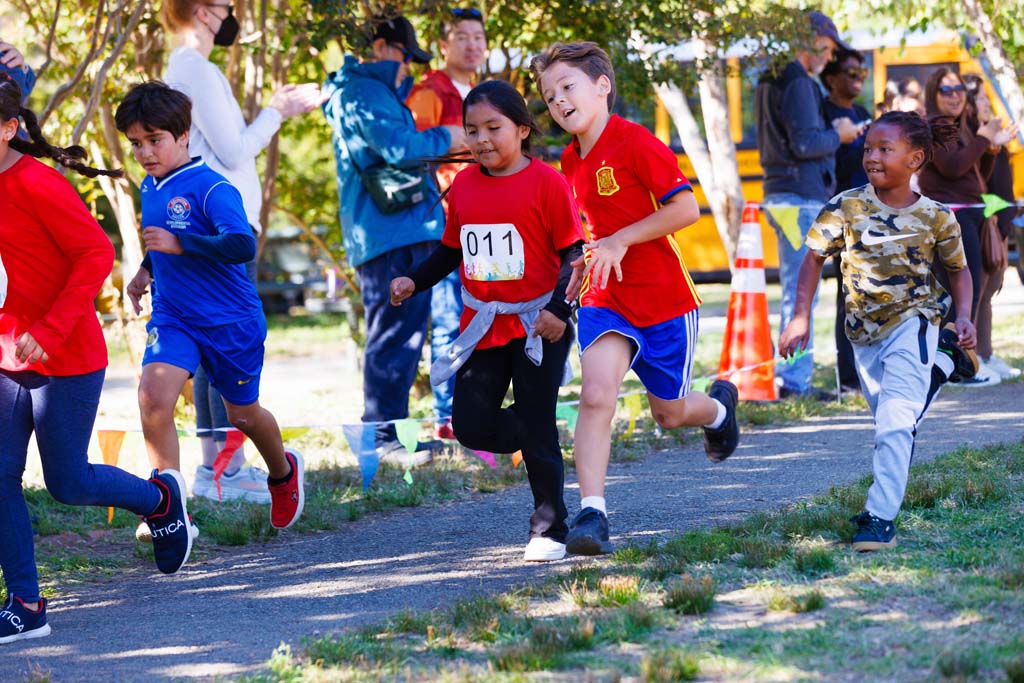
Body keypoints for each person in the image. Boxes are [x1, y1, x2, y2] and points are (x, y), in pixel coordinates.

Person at [0, 76, 192, 643]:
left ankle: (160, 500)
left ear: (9, 128)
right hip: (4, 357)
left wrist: (52, 329)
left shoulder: (36, 183)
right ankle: (27, 605)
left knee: (68, 481)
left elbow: (95, 253)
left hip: (66, 356)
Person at [530, 42, 740, 556]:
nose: (558, 101)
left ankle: (718, 412)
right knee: (596, 395)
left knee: (668, 414)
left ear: (602, 86)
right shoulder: (570, 162)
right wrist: (583, 264)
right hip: (606, 298)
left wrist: (623, 238)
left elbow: (686, 208)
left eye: (567, 87)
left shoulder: (636, 142)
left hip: (665, 301)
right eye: (549, 95)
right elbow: (588, 235)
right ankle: (593, 514)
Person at [391, 80, 584, 561]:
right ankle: (541, 434)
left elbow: (573, 256)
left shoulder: (547, 183)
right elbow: (451, 251)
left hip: (539, 323)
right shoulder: (464, 187)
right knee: (470, 425)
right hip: (483, 324)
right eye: (472, 130)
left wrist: (560, 311)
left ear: (522, 129)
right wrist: (414, 281)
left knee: (536, 423)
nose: (481, 140)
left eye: (493, 128)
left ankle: (549, 527)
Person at [780, 111, 978, 551]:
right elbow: (812, 258)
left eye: (885, 149)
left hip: (916, 323)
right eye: (868, 147)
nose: (871, 156)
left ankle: (879, 518)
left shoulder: (936, 216)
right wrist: (801, 316)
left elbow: (959, 271)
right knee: (893, 420)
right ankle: (945, 364)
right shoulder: (846, 206)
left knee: (894, 423)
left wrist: (964, 314)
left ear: (915, 159)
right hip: (861, 336)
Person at [115, 81, 304, 537]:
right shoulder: (149, 184)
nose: (144, 153)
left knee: (242, 415)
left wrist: (181, 244)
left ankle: (283, 474)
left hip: (230, 321)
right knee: (152, 399)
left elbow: (240, 243)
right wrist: (146, 270)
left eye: (154, 140)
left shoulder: (212, 187)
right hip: (174, 316)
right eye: (136, 144)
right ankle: (168, 510)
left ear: (184, 136)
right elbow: (162, 240)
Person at [160, 0, 322, 502]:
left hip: (202, 223)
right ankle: (226, 469)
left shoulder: (182, 68)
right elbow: (233, 151)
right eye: (226, 6)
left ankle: (217, 469)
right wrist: (279, 109)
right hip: (221, 225)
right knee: (225, 344)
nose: (232, 15)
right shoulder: (198, 71)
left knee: (212, 349)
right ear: (203, 11)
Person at [322, 15, 467, 466]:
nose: (408, 69)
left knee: (404, 337)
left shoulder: (375, 90)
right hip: (389, 235)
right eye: (406, 58)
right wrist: (450, 136)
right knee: (392, 337)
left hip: (399, 230)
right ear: (383, 47)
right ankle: (381, 438)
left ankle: (393, 435)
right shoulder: (362, 92)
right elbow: (399, 147)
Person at [755, 10, 862, 400]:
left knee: (796, 289)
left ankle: (791, 377)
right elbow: (805, 144)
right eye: (829, 47)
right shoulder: (798, 81)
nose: (829, 57)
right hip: (799, 196)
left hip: (784, 191)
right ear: (814, 39)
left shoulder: (770, 76)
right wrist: (840, 135)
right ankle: (794, 382)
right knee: (801, 292)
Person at [406, 7, 488, 440]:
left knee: (484, 314)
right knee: (449, 316)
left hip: (488, 223)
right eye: (462, 36)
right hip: (446, 225)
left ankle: (475, 410)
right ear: (443, 45)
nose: (472, 44)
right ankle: (447, 418)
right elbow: (414, 157)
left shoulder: (482, 92)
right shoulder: (429, 92)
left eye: (478, 37)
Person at [918, 67, 1017, 387]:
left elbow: (976, 175)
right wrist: (983, 139)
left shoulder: (960, 126)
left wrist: (991, 147)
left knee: (970, 293)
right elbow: (951, 167)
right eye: (947, 90)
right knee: (963, 292)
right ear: (933, 94)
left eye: (960, 88)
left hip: (970, 212)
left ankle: (959, 361)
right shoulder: (935, 126)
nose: (956, 94)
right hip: (952, 217)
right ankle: (956, 366)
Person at [963, 73, 1021, 381]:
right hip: (985, 219)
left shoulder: (992, 133)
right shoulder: (973, 136)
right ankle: (969, 360)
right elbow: (977, 179)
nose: (988, 103)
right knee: (976, 291)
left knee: (990, 291)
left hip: (1001, 220)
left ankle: (985, 353)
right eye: (982, 98)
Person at [821, 48, 872, 395]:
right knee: (849, 295)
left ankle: (872, 367)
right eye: (850, 72)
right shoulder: (825, 114)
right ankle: (849, 377)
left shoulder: (862, 113)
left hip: (872, 212)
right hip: (842, 214)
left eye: (861, 73)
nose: (857, 78)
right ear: (831, 78)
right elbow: (830, 164)